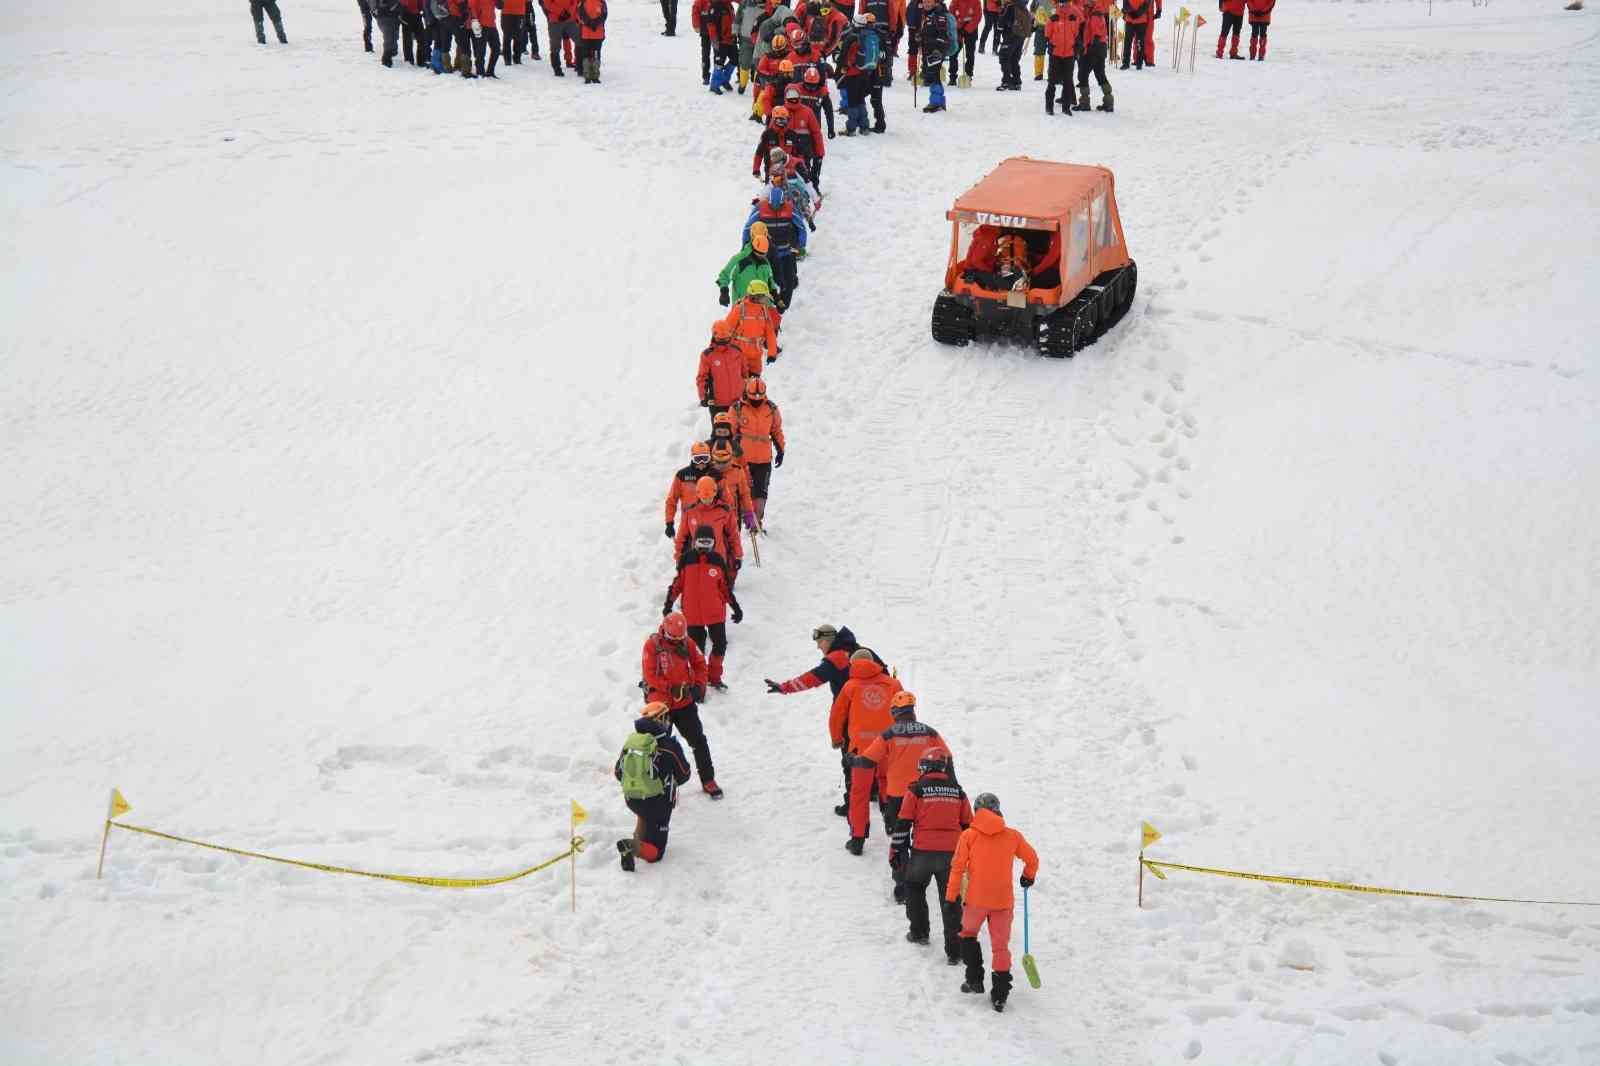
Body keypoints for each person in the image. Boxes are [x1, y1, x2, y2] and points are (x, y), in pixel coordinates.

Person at [946, 792, 1040, 1012]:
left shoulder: (969, 836)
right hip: (1003, 901)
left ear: (977, 811)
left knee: (967, 934)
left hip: (976, 900)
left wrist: (951, 897)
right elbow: (1032, 858)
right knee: (1000, 947)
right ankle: (1000, 995)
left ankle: (974, 980)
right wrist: (1028, 875)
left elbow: (958, 868)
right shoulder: (1012, 836)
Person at [852, 691, 947, 899]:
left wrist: (852, 760)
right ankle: (924, 875)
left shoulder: (889, 734)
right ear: (913, 711)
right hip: (926, 794)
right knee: (922, 837)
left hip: (898, 796)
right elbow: (947, 758)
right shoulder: (930, 732)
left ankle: (902, 885)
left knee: (899, 840)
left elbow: (868, 761)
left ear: (895, 711)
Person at [894, 746, 971, 963]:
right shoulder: (958, 791)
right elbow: (968, 826)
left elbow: (903, 822)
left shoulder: (916, 790)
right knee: (951, 900)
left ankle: (919, 933)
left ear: (925, 767)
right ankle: (955, 952)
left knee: (914, 888)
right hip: (952, 856)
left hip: (922, 853)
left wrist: (896, 851)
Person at [640, 612, 723, 797]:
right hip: (660, 703)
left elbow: (701, 664)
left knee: (699, 741)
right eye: (674, 638)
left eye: (680, 638)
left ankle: (708, 780)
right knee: (657, 746)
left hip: (684, 702)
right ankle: (658, 786)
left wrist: (699, 687)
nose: (678, 641)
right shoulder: (652, 646)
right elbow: (650, 675)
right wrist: (671, 688)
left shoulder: (687, 642)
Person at [831, 648, 903, 852]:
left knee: (859, 793)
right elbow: (903, 710)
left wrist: (837, 739)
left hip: (860, 750)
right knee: (888, 784)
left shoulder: (849, 686)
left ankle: (857, 839)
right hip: (888, 746)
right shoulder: (893, 684)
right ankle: (891, 822)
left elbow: (837, 715)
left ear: (853, 665)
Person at [614, 702, 693, 870]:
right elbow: (684, 774)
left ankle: (638, 840)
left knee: (644, 812)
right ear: (660, 719)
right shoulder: (669, 746)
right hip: (657, 803)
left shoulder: (632, 742)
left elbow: (618, 772)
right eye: (666, 717)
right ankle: (631, 847)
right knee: (656, 852)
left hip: (632, 798)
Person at [664, 526, 744, 691]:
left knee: (720, 644)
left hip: (715, 613)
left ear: (714, 544)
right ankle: (697, 682)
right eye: (701, 542)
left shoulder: (717, 560)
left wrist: (735, 607)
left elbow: (725, 588)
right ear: (695, 542)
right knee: (696, 651)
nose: (704, 546)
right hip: (693, 615)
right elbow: (677, 584)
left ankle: (714, 677)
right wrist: (668, 604)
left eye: (708, 543)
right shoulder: (687, 559)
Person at [732, 376, 784, 527]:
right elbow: (729, 432)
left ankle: (757, 521)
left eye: (759, 398)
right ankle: (747, 520)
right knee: (745, 491)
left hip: (763, 460)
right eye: (753, 397)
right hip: (743, 459)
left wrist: (781, 450)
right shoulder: (737, 409)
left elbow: (776, 431)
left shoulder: (771, 409)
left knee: (761, 492)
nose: (756, 401)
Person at [743, 184, 805, 310]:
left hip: (786, 252)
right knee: (767, 282)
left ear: (783, 202)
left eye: (779, 206)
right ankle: (768, 309)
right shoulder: (760, 208)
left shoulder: (790, 209)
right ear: (768, 201)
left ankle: (782, 306)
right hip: (767, 254)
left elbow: (801, 227)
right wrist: (745, 247)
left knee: (789, 281)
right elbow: (748, 228)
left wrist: (800, 245)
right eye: (772, 206)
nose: (775, 208)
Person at [673, 476, 744, 575]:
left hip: (719, 558)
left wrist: (738, 555)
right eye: (704, 498)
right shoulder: (690, 512)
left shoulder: (724, 511)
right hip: (696, 559)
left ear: (715, 493)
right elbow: (682, 536)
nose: (707, 500)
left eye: (710, 497)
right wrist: (678, 557)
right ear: (698, 494)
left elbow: (733, 534)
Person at [721, 278, 782, 368]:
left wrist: (772, 353)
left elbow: (770, 333)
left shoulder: (764, 311)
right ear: (755, 296)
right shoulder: (739, 309)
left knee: (755, 381)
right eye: (764, 296)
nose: (766, 299)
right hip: (738, 356)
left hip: (756, 358)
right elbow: (726, 330)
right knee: (739, 381)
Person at [697, 321, 748, 425]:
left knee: (739, 433)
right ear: (714, 336)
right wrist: (703, 396)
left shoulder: (737, 351)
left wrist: (746, 391)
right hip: (717, 404)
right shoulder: (707, 355)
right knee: (720, 434)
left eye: (725, 338)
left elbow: (744, 373)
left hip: (738, 402)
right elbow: (702, 377)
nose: (723, 341)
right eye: (720, 339)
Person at [663, 441, 715, 539]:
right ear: (692, 458)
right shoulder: (682, 475)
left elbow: (726, 499)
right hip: (689, 523)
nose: (702, 463)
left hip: (711, 522)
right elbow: (671, 500)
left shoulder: (715, 475)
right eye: (698, 459)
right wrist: (669, 522)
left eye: (705, 459)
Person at [717, 233, 778, 308]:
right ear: (753, 248)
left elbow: (770, 282)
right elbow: (724, 275)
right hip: (742, 309)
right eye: (759, 253)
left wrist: (777, 298)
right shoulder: (739, 260)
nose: (761, 256)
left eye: (764, 254)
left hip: (763, 310)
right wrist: (724, 292)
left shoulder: (765, 263)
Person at [709, 440, 757, 535]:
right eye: (718, 462)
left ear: (731, 457)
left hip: (733, 516)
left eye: (724, 462)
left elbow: (744, 494)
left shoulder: (738, 471)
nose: (721, 465)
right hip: (713, 516)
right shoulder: (708, 472)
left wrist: (748, 512)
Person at [1042, 0, 1082, 115]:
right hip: (1056, 54)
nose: (1063, 5)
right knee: (1052, 82)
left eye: (1065, 3)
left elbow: (1077, 35)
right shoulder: (1053, 18)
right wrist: (1051, 46)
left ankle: (1066, 107)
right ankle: (1049, 106)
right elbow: (1047, 34)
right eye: (1061, 3)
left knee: (1068, 81)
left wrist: (1076, 48)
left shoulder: (1074, 18)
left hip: (1069, 54)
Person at [916, 0, 952, 112]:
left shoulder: (939, 15)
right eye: (925, 1)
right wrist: (919, 36)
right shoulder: (928, 16)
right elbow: (928, 32)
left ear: (935, 3)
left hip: (936, 51)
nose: (926, 4)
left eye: (929, 1)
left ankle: (936, 103)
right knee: (933, 76)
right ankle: (939, 102)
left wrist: (937, 50)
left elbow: (943, 34)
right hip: (929, 50)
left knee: (933, 75)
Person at [1075, 0, 1111, 111]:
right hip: (1101, 50)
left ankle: (1084, 102)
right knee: (1100, 75)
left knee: (1082, 74)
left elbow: (1096, 33)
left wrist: (1089, 49)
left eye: (1087, 5)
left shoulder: (1095, 16)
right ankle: (1108, 101)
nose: (1085, 7)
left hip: (1094, 49)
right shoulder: (1097, 14)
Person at [694, 0, 737, 87]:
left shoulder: (729, 6)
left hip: (727, 38)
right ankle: (711, 80)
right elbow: (696, 10)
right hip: (714, 36)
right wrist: (696, 25)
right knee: (713, 57)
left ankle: (722, 79)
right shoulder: (715, 6)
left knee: (734, 59)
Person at [994, 0, 1029, 89]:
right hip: (1021, 36)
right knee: (1014, 59)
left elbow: (1002, 21)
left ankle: (1006, 81)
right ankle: (1017, 82)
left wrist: (999, 29)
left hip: (1010, 35)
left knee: (1004, 57)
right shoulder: (1023, 7)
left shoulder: (1010, 7)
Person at [467, 0, 503, 76]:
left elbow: (500, 6)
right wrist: (474, 19)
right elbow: (471, 6)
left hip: (492, 24)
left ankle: (490, 71)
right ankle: (480, 72)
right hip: (481, 24)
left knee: (496, 49)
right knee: (481, 51)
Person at [948, 0, 980, 85]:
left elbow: (977, 16)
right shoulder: (955, 1)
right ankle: (952, 76)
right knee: (953, 52)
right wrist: (958, 26)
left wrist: (967, 29)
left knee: (970, 54)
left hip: (971, 30)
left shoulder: (976, 1)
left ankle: (968, 75)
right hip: (958, 29)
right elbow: (951, 14)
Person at [545, 0, 579, 73]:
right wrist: (561, 12)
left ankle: (580, 65)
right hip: (555, 20)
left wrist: (569, 12)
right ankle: (557, 68)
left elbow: (574, 2)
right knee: (555, 45)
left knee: (580, 40)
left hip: (570, 20)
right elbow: (547, 3)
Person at [576, 0, 606, 82]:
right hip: (586, 34)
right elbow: (579, 15)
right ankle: (588, 76)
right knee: (586, 55)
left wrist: (595, 23)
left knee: (595, 55)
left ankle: (594, 76)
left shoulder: (601, 2)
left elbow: (604, 15)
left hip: (597, 34)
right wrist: (590, 23)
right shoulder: (582, 2)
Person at [1029, 0, 1053, 81]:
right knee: (1039, 51)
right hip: (1040, 27)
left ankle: (1052, 73)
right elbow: (1032, 9)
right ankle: (1038, 73)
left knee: (1053, 52)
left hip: (1054, 28)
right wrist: (1032, 22)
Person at [1120, 0, 1148, 69]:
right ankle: (1126, 63)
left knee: (1139, 43)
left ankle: (1139, 63)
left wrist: (1138, 13)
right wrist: (1129, 12)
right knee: (1127, 43)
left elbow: (1147, 4)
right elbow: (1125, 3)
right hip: (1130, 20)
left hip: (1141, 20)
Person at [373, 0, 401, 65]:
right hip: (384, 16)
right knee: (389, 37)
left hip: (394, 16)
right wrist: (374, 11)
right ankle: (386, 59)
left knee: (394, 35)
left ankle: (392, 51)